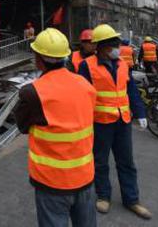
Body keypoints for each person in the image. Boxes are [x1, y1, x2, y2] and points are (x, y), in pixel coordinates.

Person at [15, 28, 97, 227]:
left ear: (38, 59)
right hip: (85, 177)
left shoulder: (32, 92)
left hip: (52, 183)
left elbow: (22, 126)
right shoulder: (85, 85)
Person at [77, 24, 151, 220]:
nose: (117, 48)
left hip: (123, 121)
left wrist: (141, 112)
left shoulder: (122, 64)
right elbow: (82, 95)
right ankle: (103, 196)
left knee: (126, 161)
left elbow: (131, 90)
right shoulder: (87, 66)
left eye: (116, 44)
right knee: (100, 162)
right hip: (100, 122)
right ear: (101, 47)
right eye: (113, 45)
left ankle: (132, 199)